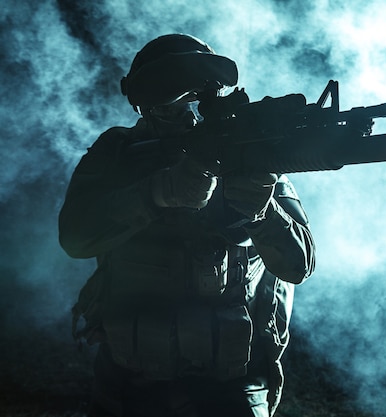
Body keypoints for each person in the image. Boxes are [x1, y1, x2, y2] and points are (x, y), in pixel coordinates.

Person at [58, 33, 315, 417]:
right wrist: (157, 193)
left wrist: (265, 214)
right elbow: (75, 239)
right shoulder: (117, 153)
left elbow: (299, 266)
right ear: (141, 105)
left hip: (233, 386)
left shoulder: (249, 150)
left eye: (194, 99)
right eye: (165, 105)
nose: (183, 114)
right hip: (131, 381)